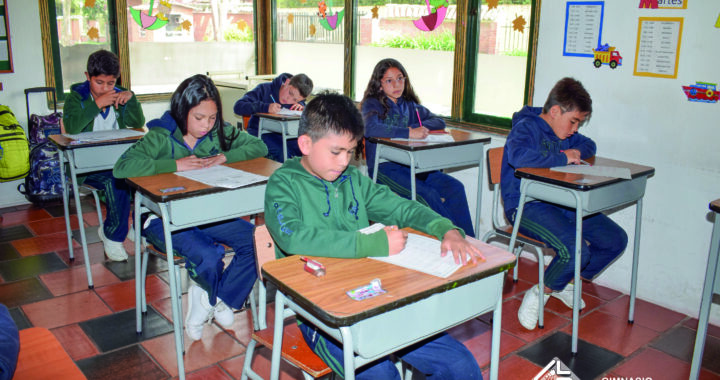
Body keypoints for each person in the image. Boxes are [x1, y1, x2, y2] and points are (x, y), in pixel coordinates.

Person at [264, 92, 484, 380]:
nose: (344, 161)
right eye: (336, 151)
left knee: (459, 365)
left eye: (351, 152)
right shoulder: (283, 183)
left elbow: (401, 207)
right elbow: (293, 237)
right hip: (319, 314)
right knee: (382, 375)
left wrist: (446, 229)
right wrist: (373, 243)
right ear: (305, 143)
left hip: (372, 297)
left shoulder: (352, 180)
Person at [114, 74, 267, 340]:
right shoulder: (161, 136)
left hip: (208, 213)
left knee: (256, 240)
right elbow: (122, 167)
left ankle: (213, 298)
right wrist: (174, 165)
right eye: (199, 118)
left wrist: (225, 156)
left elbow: (259, 145)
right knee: (208, 255)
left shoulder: (220, 133)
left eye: (212, 117)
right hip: (161, 218)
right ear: (182, 111)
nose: (207, 125)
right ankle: (210, 292)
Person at [502, 77, 628, 330]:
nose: (574, 129)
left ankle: (562, 280)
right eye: (573, 121)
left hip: (561, 202)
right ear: (556, 111)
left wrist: (573, 151)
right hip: (526, 205)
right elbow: (517, 156)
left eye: (579, 123)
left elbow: (588, 145)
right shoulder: (526, 127)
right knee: (577, 249)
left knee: (615, 240)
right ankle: (541, 292)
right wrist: (561, 155)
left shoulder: (565, 133)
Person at [361, 58, 475, 238]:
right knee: (427, 195)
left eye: (400, 78)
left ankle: (470, 240)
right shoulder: (372, 103)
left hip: (413, 167)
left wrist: (418, 129)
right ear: (380, 85)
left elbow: (438, 121)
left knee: (455, 187)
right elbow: (369, 128)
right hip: (385, 169)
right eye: (389, 80)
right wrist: (408, 132)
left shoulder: (409, 105)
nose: (396, 84)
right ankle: (453, 237)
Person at [63, 49, 146, 261]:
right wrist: (96, 105)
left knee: (143, 176)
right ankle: (113, 236)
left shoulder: (120, 93)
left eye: (111, 83)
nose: (106, 88)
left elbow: (137, 123)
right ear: (87, 77)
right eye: (99, 83)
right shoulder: (75, 98)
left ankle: (137, 228)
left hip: (115, 161)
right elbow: (71, 127)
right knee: (116, 181)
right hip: (85, 168)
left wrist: (132, 99)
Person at [233, 73, 313, 162]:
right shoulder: (264, 89)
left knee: (306, 151)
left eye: (295, 100)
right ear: (287, 82)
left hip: (286, 135)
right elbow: (238, 107)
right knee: (283, 154)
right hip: (261, 132)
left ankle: (299, 175)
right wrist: (265, 107)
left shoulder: (298, 103)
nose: (289, 99)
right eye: (290, 93)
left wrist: (303, 110)